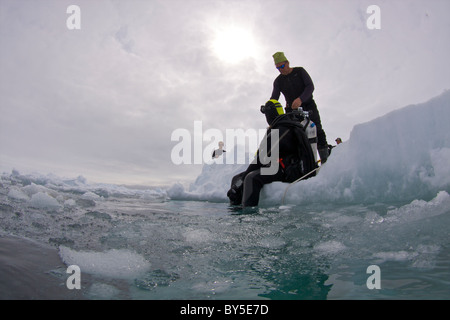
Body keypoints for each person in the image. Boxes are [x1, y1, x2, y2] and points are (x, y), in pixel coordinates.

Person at [227, 100, 317, 207]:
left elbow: (261, 158)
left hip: (288, 170)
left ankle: (248, 217)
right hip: (275, 167)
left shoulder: (283, 128)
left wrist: (240, 183)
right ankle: (236, 212)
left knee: (251, 178)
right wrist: (238, 183)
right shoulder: (279, 127)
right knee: (236, 178)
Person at [270, 52, 330, 163]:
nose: (280, 70)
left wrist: (300, 99)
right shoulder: (278, 81)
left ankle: (325, 160)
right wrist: (270, 113)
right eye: (278, 68)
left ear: (287, 63)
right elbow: (274, 99)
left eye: (282, 66)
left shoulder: (300, 71)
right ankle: (301, 163)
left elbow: (310, 86)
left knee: (317, 130)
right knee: (295, 136)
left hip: (308, 105)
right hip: (292, 112)